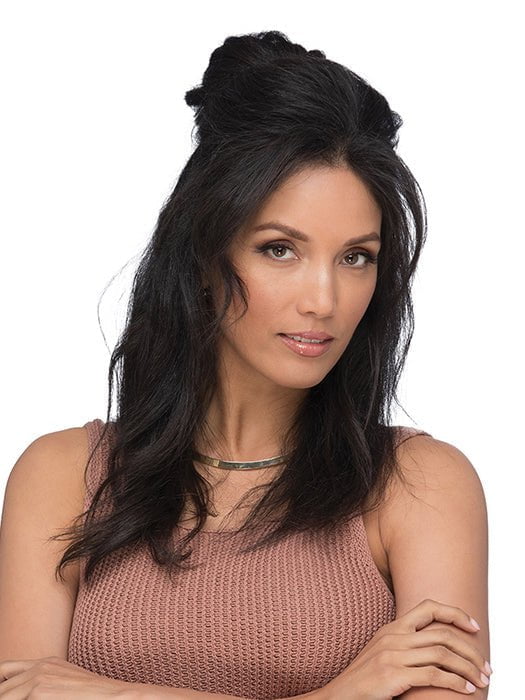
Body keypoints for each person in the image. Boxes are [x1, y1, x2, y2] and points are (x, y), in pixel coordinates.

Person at [0, 30, 490, 700]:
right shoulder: (63, 477)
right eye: (280, 249)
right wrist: (338, 695)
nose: (324, 300)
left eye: (356, 257)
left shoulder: (420, 485)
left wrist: (102, 691)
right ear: (204, 256)